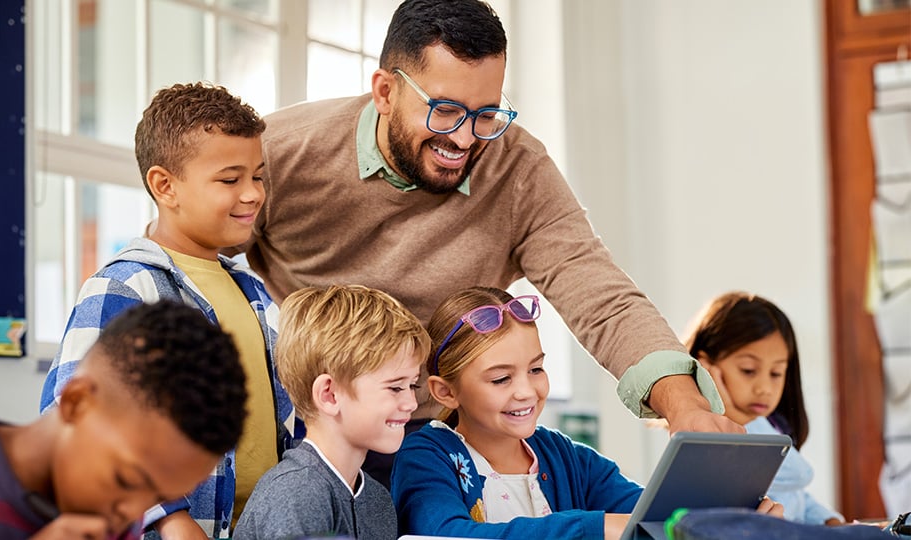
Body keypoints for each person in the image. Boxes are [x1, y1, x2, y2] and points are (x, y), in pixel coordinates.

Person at [242, 0, 735, 484]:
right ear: (385, 92)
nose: (463, 140)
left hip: (440, 437)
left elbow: (600, 295)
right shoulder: (282, 152)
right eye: (444, 110)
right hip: (306, 431)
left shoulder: (517, 169)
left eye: (486, 115)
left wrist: (683, 406)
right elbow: (192, 275)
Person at [39, 82, 296, 539]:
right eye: (230, 179)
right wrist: (168, 517)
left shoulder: (256, 295)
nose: (254, 194)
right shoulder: (125, 286)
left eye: (258, 176)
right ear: (165, 186)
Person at [390, 287, 782, 539]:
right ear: (446, 391)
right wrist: (596, 526)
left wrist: (733, 518)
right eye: (500, 379)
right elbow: (444, 535)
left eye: (536, 369)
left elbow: (652, 514)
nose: (526, 391)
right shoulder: (427, 456)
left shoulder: (566, 457)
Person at [0, 301, 247, 540]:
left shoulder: (113, 519)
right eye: (125, 480)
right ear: (77, 402)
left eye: (158, 497)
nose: (130, 513)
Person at [234, 285, 431, 540]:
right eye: (395, 387)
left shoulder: (377, 501)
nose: (412, 403)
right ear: (329, 394)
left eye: (412, 385)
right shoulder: (297, 493)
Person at [683, 291, 845, 526]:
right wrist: (736, 418)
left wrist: (831, 522)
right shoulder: (707, 442)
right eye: (748, 370)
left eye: (776, 373)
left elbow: (795, 496)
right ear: (706, 367)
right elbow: (800, 475)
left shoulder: (773, 424)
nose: (765, 388)